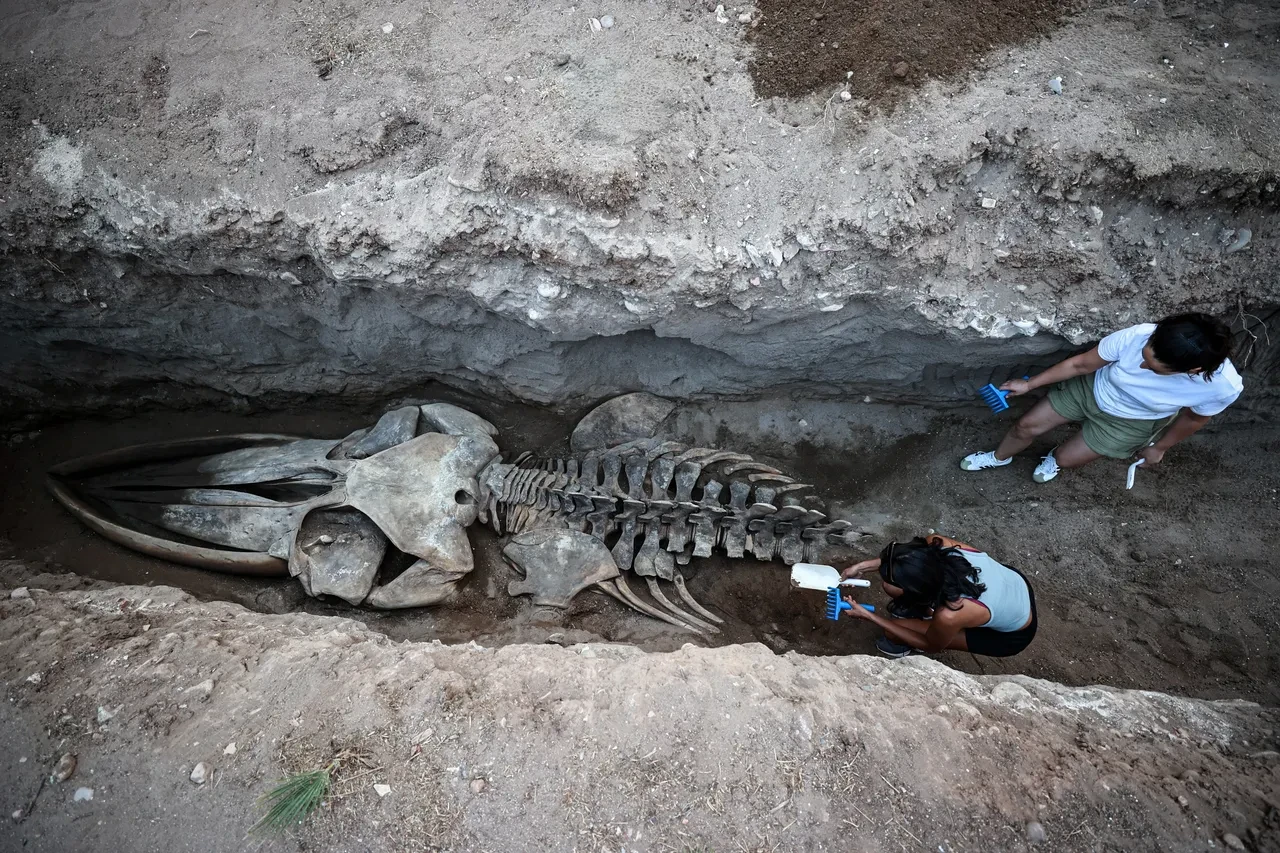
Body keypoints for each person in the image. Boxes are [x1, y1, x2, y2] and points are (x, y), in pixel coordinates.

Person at [960, 313, 1242, 483]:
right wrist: (1029, 384)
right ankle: (999, 457)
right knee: (1025, 426)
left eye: (1153, 369)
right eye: (1145, 355)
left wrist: (1160, 448)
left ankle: (1055, 458)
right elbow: (1080, 364)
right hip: (1093, 389)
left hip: (1133, 420)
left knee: (1068, 459)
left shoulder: (1222, 387)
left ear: (1193, 370)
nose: (1141, 365)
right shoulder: (1138, 335)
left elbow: (1194, 417)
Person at [838, 535, 1037, 658]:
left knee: (893, 632)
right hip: (1013, 585)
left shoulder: (951, 613)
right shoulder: (937, 544)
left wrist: (870, 616)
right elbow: (904, 559)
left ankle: (903, 645)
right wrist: (861, 567)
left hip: (1010, 635)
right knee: (891, 586)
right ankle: (925, 615)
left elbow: (930, 645)